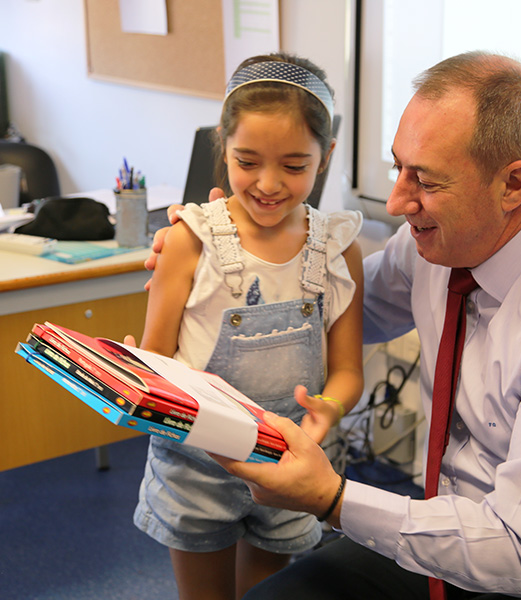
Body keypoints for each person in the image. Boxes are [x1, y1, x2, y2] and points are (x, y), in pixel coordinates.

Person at [149, 51, 521, 599]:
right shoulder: (436, 243)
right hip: (453, 529)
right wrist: (227, 260)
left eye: (426, 180)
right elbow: (320, 312)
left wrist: (333, 499)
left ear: (513, 185)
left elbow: (520, 556)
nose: (396, 201)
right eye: (398, 167)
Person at [132, 52, 364, 600]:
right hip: (195, 469)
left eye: (294, 164)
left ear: (326, 156)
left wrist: (329, 408)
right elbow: (155, 359)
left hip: (290, 463)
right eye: (247, 160)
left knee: (272, 596)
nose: (267, 183)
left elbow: (349, 371)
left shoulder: (337, 249)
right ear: (223, 143)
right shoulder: (189, 240)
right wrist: (132, 379)